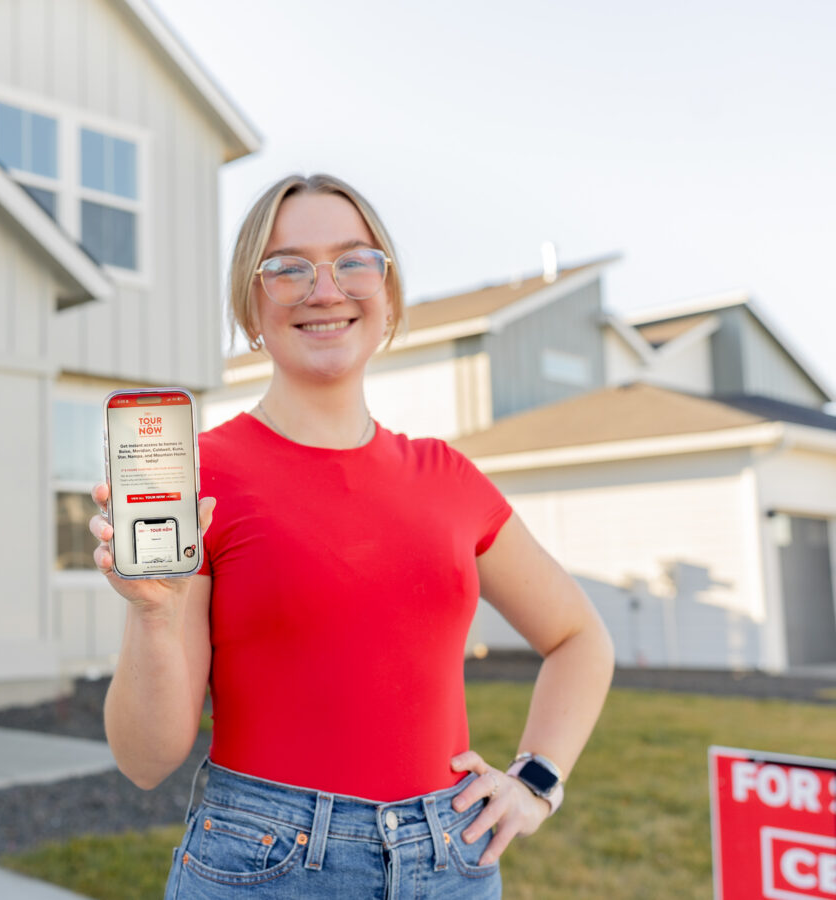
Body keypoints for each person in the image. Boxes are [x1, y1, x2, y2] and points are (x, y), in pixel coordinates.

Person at [89, 173, 615, 898]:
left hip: (450, 863)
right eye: (287, 268)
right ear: (251, 305)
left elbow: (579, 638)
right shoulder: (201, 477)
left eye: (354, 261)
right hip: (263, 865)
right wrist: (151, 614)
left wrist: (536, 781)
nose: (324, 288)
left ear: (388, 293)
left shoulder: (449, 477)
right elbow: (146, 760)